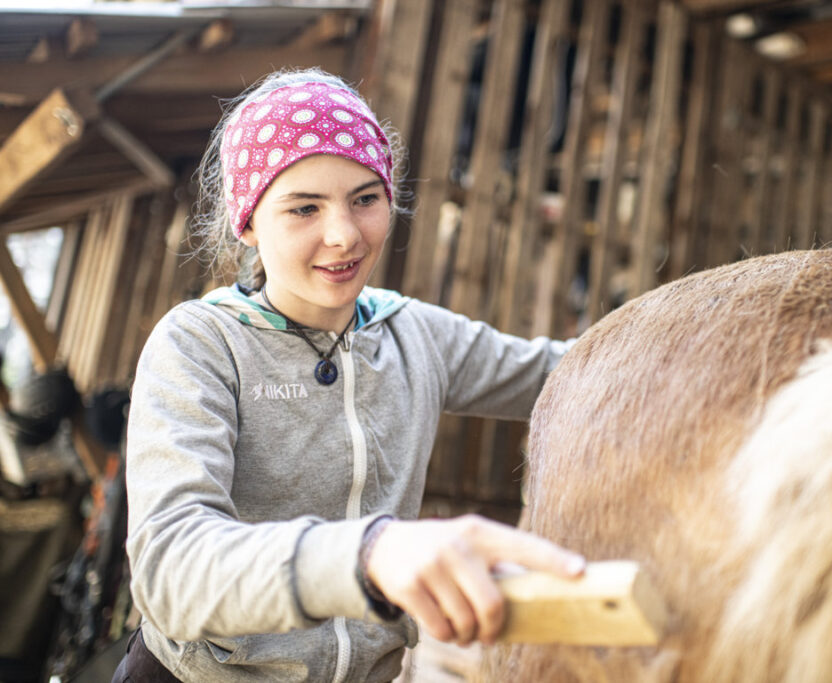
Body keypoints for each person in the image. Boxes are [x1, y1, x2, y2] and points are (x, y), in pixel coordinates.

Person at [115, 67, 585, 683]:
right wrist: (368, 557)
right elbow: (170, 571)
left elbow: (575, 372)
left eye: (365, 199)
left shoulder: (414, 335)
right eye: (304, 208)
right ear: (247, 222)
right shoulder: (202, 344)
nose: (343, 236)